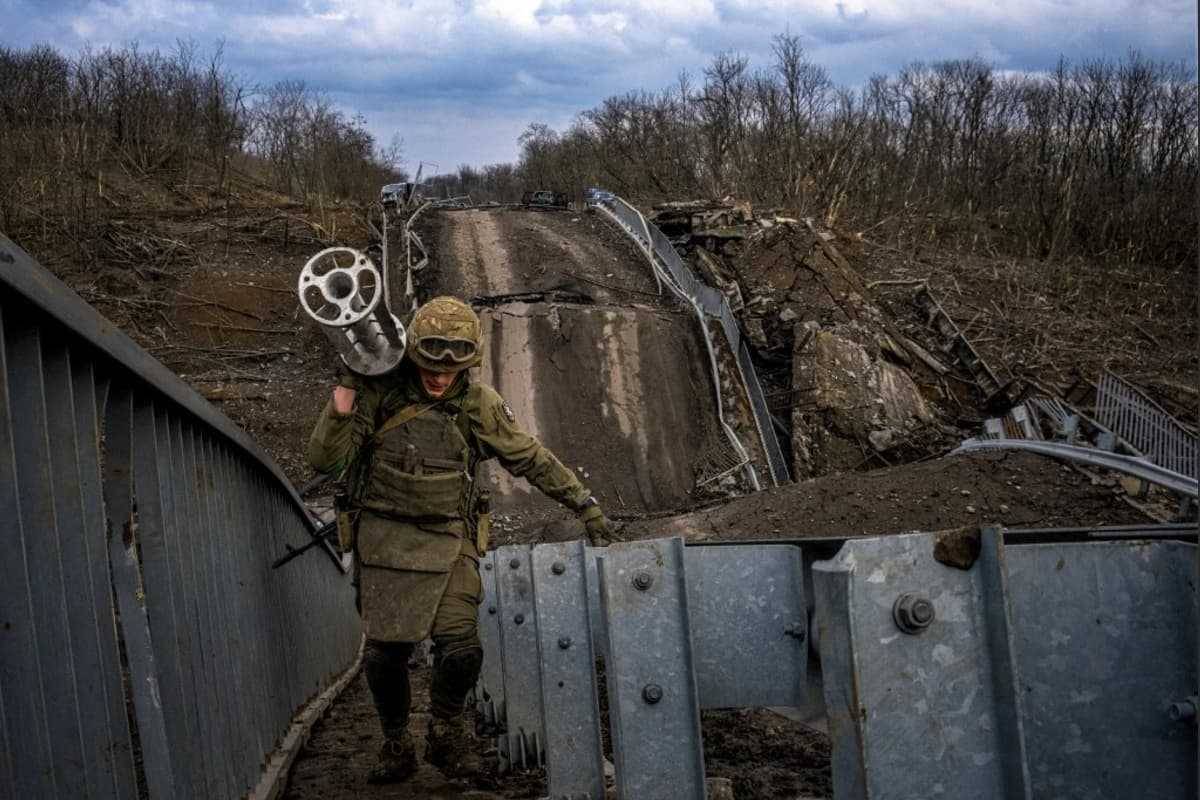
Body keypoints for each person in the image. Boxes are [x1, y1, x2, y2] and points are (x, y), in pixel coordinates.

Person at [307, 295, 612, 784]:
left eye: (452, 366)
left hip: (451, 541)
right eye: (430, 363)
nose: (440, 375)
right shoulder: (379, 392)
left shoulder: (477, 404)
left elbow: (529, 458)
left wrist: (584, 504)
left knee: (461, 646)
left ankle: (447, 732)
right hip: (385, 542)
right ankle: (395, 742)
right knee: (386, 655)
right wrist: (347, 388)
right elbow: (326, 461)